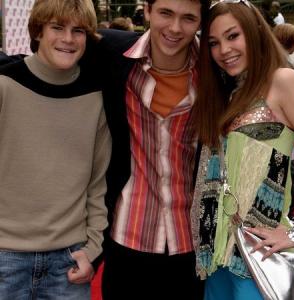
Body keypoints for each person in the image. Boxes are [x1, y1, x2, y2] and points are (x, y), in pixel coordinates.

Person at [97, 0, 211, 299]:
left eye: (188, 18)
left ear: (200, 22)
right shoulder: (112, 52)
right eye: (165, 13)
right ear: (147, 11)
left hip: (191, 239)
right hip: (128, 233)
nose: (175, 28)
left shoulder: (215, 69)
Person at [0, 0, 111, 299]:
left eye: (78, 30)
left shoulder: (95, 97)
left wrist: (93, 248)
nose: (68, 38)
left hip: (69, 262)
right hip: (5, 258)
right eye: (57, 27)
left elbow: (97, 184)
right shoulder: (5, 86)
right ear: (37, 31)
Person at [190, 0, 294, 299]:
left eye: (233, 36)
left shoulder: (283, 80)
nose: (224, 49)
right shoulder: (228, 93)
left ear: (254, 33)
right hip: (218, 256)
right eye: (214, 42)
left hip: (261, 258)